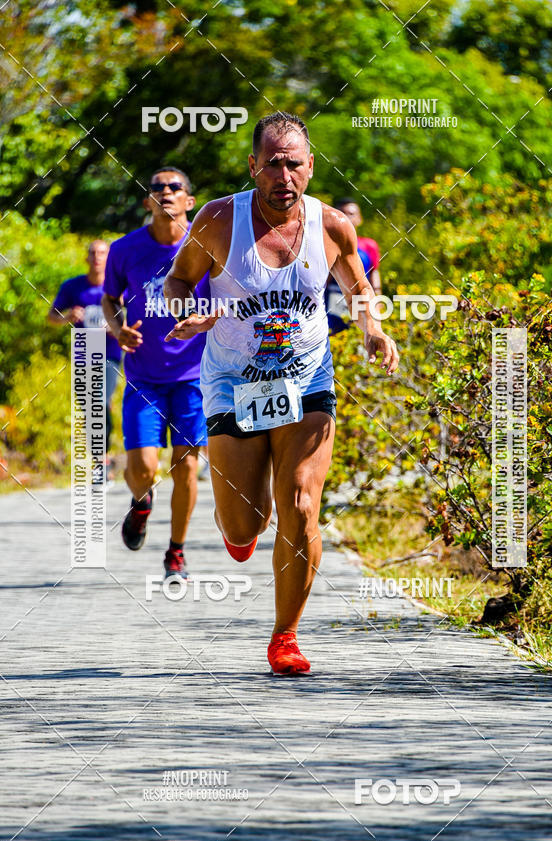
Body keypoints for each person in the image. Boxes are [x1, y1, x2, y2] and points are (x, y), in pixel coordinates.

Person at [163, 112, 398, 675]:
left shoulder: (334, 226)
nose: (283, 174)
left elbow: (358, 289)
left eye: (294, 163)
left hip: (308, 379)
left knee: (301, 505)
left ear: (310, 167)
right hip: (232, 383)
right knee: (245, 523)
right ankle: (240, 532)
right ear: (253, 166)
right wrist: (190, 310)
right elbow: (176, 281)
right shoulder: (220, 219)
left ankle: (285, 637)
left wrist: (373, 329)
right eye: (272, 162)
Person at [101, 167, 209, 585]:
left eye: (175, 187)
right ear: (148, 201)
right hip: (143, 377)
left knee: (185, 467)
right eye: (157, 188)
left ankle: (176, 552)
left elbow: (225, 300)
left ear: (189, 201)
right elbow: (110, 299)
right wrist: (117, 328)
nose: (166, 192)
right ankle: (141, 503)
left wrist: (202, 321)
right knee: (143, 466)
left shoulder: (203, 247)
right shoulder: (125, 249)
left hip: (193, 376)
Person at [48, 239, 121, 480]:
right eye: (93, 253)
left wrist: (117, 326)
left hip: (109, 352)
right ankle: (101, 461)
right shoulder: (73, 287)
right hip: (84, 352)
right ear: (86, 258)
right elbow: (52, 316)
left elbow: (131, 316)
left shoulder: (119, 286)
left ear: (108, 258)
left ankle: (103, 459)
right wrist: (68, 316)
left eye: (102, 253)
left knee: (100, 401)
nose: (97, 257)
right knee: (89, 407)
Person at [325, 198, 382, 335]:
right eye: (341, 213)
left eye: (351, 214)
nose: (347, 218)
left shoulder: (369, 246)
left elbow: (374, 276)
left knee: (361, 339)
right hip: (333, 302)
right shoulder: (326, 244)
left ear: (359, 218)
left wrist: (377, 305)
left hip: (361, 300)